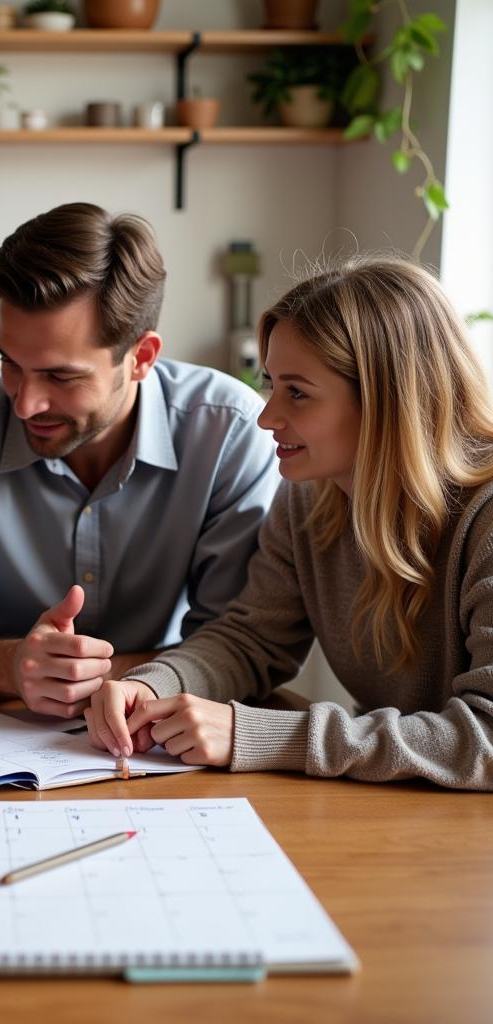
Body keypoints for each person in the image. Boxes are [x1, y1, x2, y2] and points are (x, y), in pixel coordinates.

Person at [85, 257, 493, 790]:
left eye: (296, 392)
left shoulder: (484, 518)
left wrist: (262, 734)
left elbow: (485, 737)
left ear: (386, 399)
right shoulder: (309, 498)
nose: (266, 416)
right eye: (271, 384)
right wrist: (154, 686)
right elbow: (251, 641)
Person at [0, 202, 279, 717]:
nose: (25, 402)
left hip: (161, 724)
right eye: (10, 364)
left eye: (61, 376)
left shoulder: (231, 433)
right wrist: (13, 665)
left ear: (142, 357)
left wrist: (101, 680)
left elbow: (237, 640)